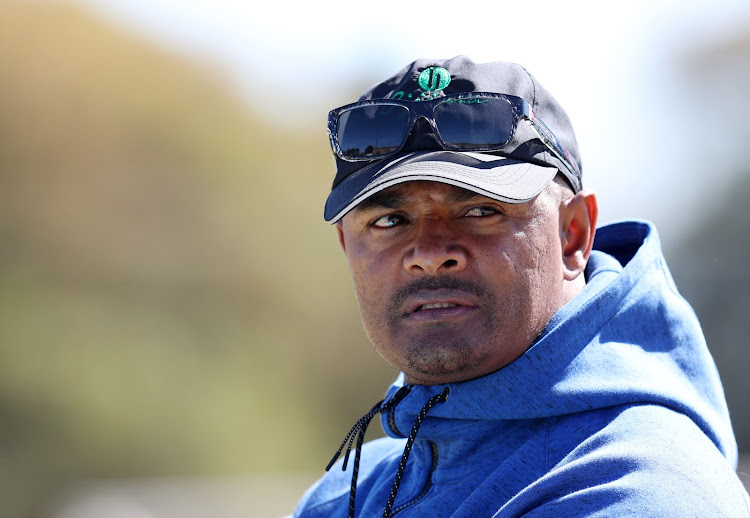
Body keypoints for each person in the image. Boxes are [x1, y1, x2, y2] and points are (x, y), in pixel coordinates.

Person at [289, 56, 750, 517]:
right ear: (347, 247)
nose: (429, 252)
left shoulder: (636, 489)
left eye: (480, 211)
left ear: (573, 235)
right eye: (391, 220)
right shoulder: (347, 495)